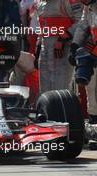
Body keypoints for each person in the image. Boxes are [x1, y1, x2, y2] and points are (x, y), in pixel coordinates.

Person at [35, 0, 83, 93]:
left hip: (63, 49)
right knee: (44, 93)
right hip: (45, 51)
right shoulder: (39, 2)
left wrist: (63, 38)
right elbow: (43, 27)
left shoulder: (69, 1)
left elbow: (81, 22)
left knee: (61, 91)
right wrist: (38, 47)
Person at [71, 0, 97, 142]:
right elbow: (82, 26)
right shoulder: (88, 8)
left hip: (94, 49)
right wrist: (74, 46)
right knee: (91, 88)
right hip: (93, 51)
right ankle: (94, 129)